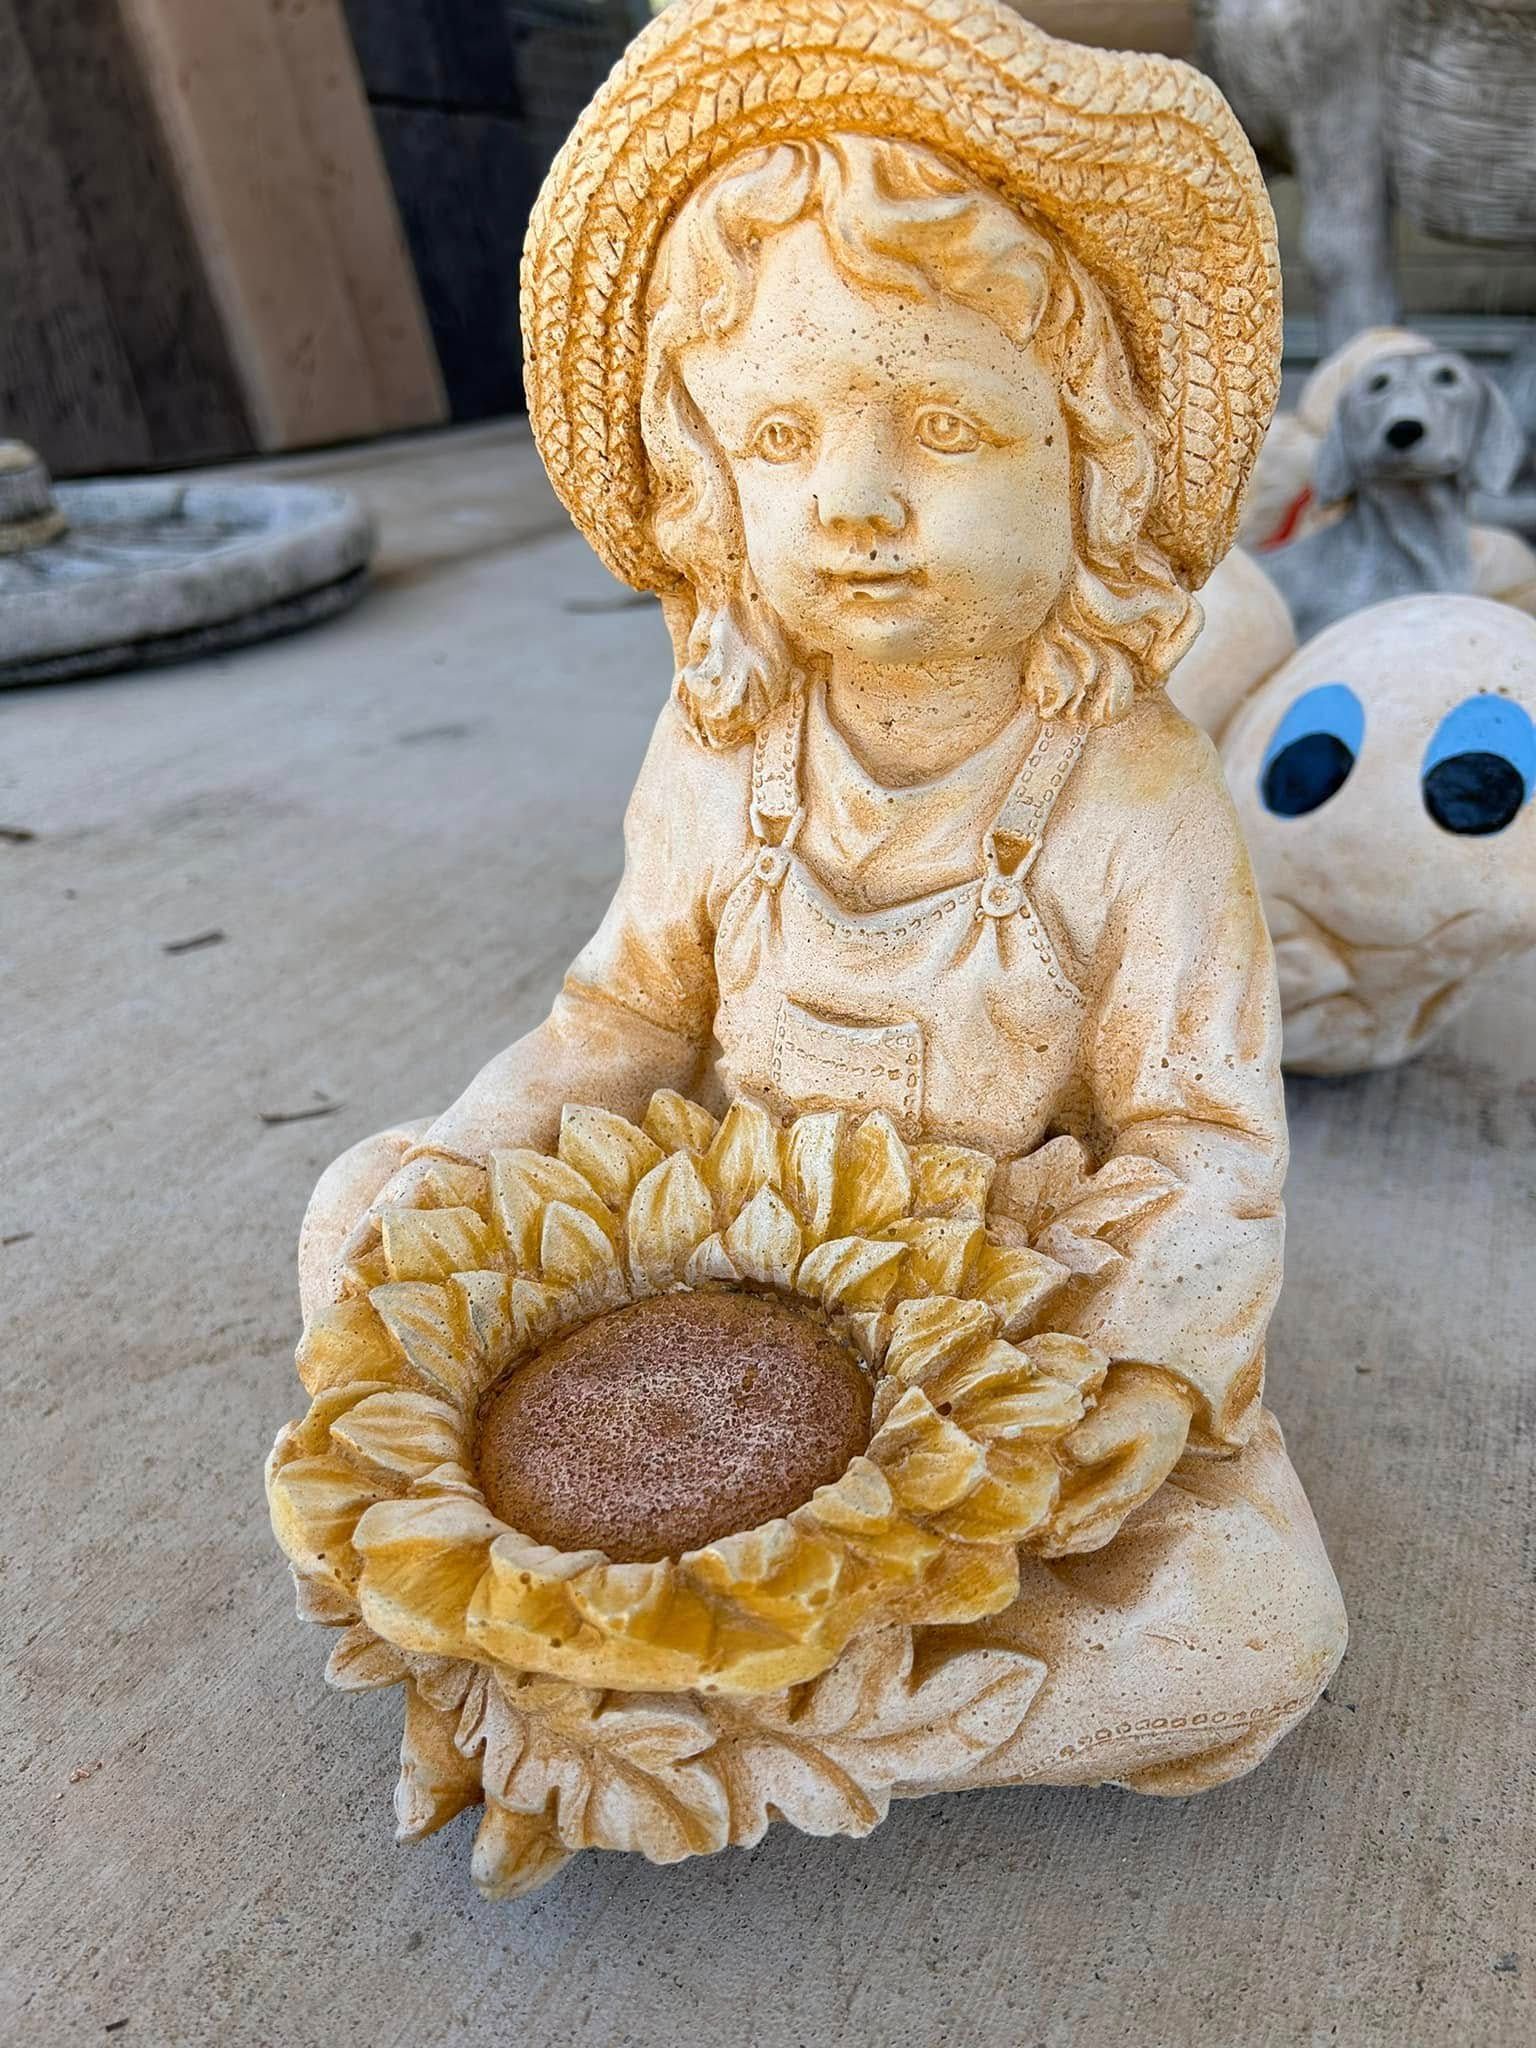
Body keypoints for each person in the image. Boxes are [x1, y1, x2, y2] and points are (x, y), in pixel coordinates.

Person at [299, 3, 1345, 1796]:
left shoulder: (1135, 789)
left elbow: (1203, 1137)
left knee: (1257, 1624)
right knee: (360, 1209)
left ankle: (731, 1735)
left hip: (1008, 1332)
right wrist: (471, 1152)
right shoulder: (722, 744)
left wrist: (1147, 1369)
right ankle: (648, 1655)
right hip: (698, 1296)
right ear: (710, 480)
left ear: (1094, 461)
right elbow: (628, 1015)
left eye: (942, 423)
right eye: (780, 436)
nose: (854, 503)